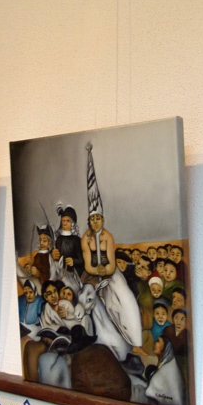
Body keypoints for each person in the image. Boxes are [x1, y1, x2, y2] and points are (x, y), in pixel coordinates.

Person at [81, 141, 143, 354]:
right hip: (91, 274)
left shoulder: (108, 236)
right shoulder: (86, 238)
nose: (95, 221)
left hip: (110, 272)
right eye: (92, 219)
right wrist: (95, 271)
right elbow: (88, 264)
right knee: (89, 299)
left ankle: (135, 341)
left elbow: (110, 262)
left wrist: (105, 271)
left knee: (124, 297)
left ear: (103, 219)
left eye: (98, 218)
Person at [52, 204, 85, 286]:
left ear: (72, 223)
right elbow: (57, 258)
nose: (65, 223)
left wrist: (73, 261)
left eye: (68, 221)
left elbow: (81, 260)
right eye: (63, 221)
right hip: (61, 273)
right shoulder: (58, 239)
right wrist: (54, 255)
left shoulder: (76, 240)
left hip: (74, 273)